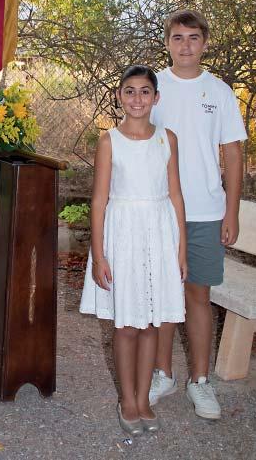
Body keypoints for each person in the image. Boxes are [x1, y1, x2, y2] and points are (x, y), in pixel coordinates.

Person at [148, 9, 247, 420]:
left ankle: (200, 381)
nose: (185, 45)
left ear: (204, 43)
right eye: (177, 37)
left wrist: (231, 211)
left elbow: (233, 154)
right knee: (162, 297)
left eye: (193, 37)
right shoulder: (153, 88)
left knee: (198, 297)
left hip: (206, 211)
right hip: (160, 209)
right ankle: (162, 374)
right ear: (167, 43)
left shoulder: (219, 91)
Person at [80, 65, 187, 436]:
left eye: (145, 91)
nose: (137, 98)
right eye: (130, 91)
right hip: (123, 236)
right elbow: (99, 200)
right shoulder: (109, 141)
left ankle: (144, 399)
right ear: (119, 96)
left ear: (156, 97)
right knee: (126, 325)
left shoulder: (167, 139)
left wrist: (181, 250)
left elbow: (176, 195)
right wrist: (99, 255)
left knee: (152, 323)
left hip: (159, 235)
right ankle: (127, 399)